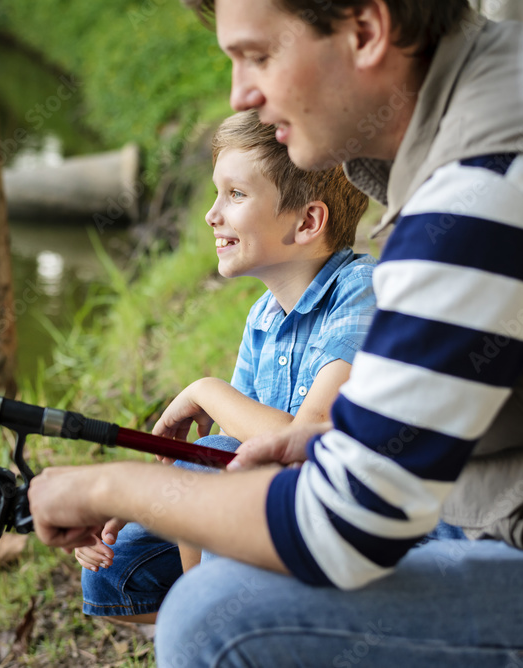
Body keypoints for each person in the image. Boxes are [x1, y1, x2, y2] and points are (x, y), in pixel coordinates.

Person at [27, 0, 523, 665]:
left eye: (259, 56)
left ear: (366, 31)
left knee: (215, 620)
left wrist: (103, 486)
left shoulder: (476, 195)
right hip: (511, 517)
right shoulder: (496, 104)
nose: (242, 93)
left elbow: (344, 528)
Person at [74, 110, 376, 623]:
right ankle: (238, 625)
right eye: (217, 194)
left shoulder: (360, 290)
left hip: (341, 521)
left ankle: (211, 625)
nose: (212, 215)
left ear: (307, 222)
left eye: (235, 195)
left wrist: (205, 390)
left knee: (211, 458)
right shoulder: (263, 317)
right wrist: (139, 497)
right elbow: (240, 444)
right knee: (115, 566)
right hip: (271, 516)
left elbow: (308, 437)